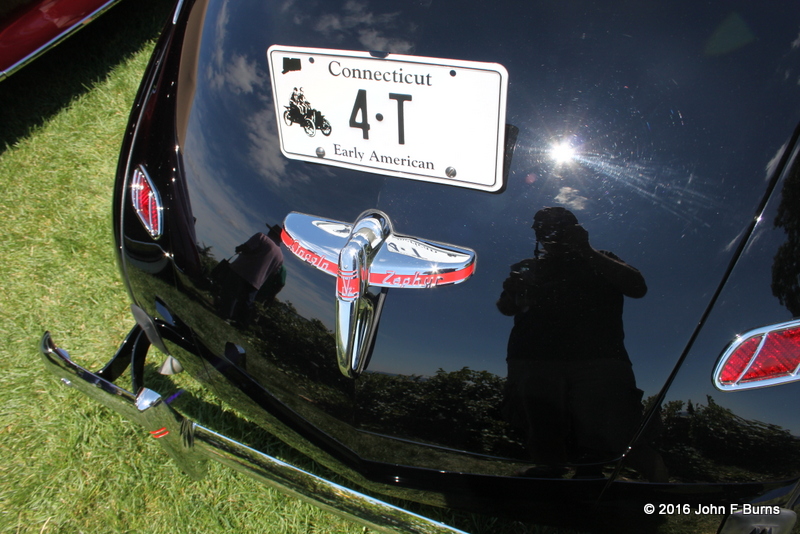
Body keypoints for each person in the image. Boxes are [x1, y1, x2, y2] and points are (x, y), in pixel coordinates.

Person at [497, 207, 661, 478]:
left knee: (605, 425)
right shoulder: (529, 267)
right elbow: (507, 308)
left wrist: (587, 250)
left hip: (596, 359)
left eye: (560, 226)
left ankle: (593, 477)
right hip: (536, 358)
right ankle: (549, 472)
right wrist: (513, 293)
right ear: (537, 233)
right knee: (541, 423)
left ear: (576, 229)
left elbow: (637, 287)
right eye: (544, 227)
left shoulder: (602, 259)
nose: (552, 233)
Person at [218, 224, 284, 326]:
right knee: (245, 302)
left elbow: (247, 248)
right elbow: (274, 272)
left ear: (271, 232)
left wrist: (239, 248)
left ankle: (225, 315)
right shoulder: (280, 256)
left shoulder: (262, 237)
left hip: (242, 270)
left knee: (231, 294)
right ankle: (239, 322)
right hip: (257, 281)